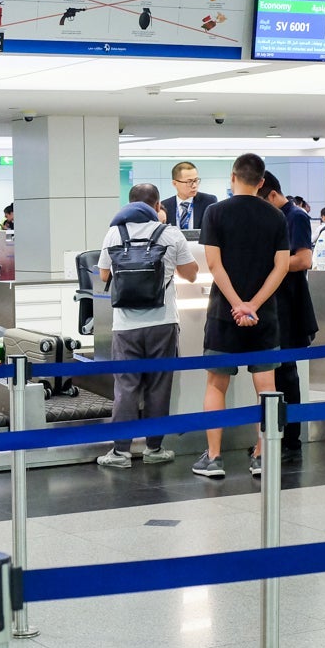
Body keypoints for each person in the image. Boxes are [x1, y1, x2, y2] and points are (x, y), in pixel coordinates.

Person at [192, 153, 288, 481]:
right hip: (265, 317)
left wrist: (237, 304)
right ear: (261, 182)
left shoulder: (214, 212)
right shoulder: (276, 216)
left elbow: (214, 265)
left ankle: (214, 457)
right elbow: (281, 267)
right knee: (267, 388)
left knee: (216, 384)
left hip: (223, 314)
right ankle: (261, 457)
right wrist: (254, 306)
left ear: (233, 177)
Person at [96, 184, 198, 469]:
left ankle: (120, 452)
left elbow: (103, 274)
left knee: (125, 386)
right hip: (163, 323)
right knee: (158, 386)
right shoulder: (170, 233)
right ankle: (154, 448)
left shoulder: (114, 233)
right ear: (157, 206)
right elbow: (191, 274)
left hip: (125, 324)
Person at [260, 172, 318, 457]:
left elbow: (304, 259)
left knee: (286, 372)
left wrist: (269, 265)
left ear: (272, 194)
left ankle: (290, 438)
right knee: (274, 372)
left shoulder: (296, 217)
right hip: (274, 302)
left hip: (289, 303)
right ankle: (276, 436)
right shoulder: (274, 217)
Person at [162, 161, 216, 232]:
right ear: (175, 183)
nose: (194, 186)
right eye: (189, 182)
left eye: (196, 180)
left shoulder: (209, 202)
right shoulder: (165, 206)